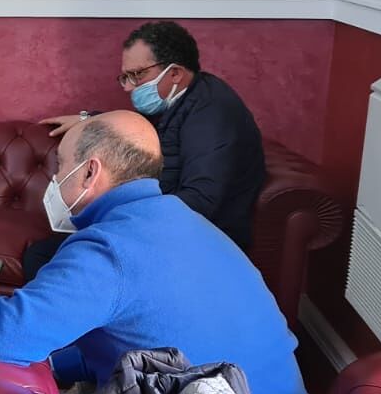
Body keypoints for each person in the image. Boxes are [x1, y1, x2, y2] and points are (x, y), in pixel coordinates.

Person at [0, 112, 312, 394]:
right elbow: (148, 335)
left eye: (60, 167)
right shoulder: (188, 223)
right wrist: (56, 362)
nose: (54, 181)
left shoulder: (109, 246)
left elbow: (6, 336)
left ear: (90, 172)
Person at [26, 20, 264, 279]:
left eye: (137, 75)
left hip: (192, 244)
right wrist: (90, 120)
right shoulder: (184, 99)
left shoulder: (213, 114)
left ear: (175, 73)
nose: (128, 87)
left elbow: (201, 201)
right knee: (53, 251)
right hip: (161, 228)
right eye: (125, 77)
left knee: (45, 257)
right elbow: (144, 129)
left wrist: (123, 223)